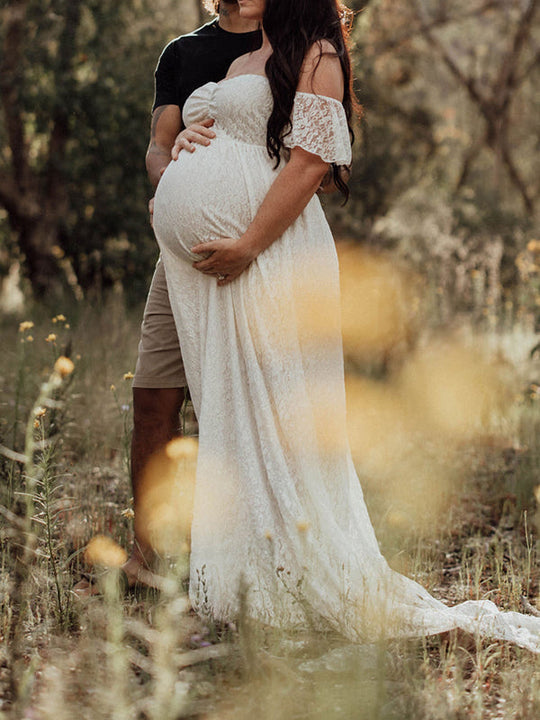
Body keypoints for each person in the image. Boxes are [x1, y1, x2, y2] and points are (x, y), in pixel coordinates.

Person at [154, 0, 540, 651]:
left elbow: (312, 164)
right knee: (235, 416)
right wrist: (182, 148)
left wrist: (248, 243)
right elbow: (202, 140)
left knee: (282, 413)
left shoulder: (319, 53)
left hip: (274, 256)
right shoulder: (249, 55)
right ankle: (247, 574)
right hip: (219, 275)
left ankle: (300, 574)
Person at [74, 1, 261, 597]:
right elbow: (156, 148)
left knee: (241, 405)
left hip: (254, 255)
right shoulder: (182, 53)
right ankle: (148, 554)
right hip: (179, 261)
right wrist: (173, 167)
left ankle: (243, 559)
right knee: (154, 398)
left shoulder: (293, 43)